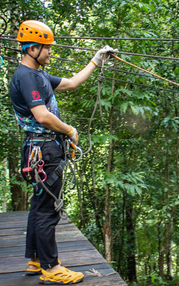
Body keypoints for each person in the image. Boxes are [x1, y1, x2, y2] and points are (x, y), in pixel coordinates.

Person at [9, 20, 116, 284]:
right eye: (46, 49)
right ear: (32, 48)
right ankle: (51, 267)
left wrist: (95, 60)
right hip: (42, 149)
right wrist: (69, 130)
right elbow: (43, 116)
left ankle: (36, 260)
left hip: (43, 149)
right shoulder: (25, 76)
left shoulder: (39, 75)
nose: (50, 53)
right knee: (48, 209)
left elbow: (71, 84)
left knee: (39, 205)